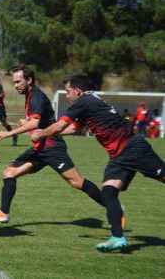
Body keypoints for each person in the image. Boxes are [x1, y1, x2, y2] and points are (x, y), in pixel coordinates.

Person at [31, 74, 165, 252]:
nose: (68, 95)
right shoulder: (89, 101)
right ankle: (117, 238)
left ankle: (117, 236)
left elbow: (59, 127)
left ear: (78, 91)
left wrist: (40, 133)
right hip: (119, 157)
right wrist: (47, 132)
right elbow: (72, 129)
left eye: (69, 91)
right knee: (109, 192)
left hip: (133, 149)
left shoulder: (84, 101)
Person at [0, 65, 106, 224]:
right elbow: (36, 121)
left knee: (76, 182)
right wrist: (25, 122)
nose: (16, 85)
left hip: (52, 147)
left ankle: (112, 206)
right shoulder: (30, 96)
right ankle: (3, 213)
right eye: (14, 82)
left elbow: (36, 123)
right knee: (9, 173)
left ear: (29, 80)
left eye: (19, 81)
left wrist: (10, 132)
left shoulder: (36, 97)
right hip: (39, 148)